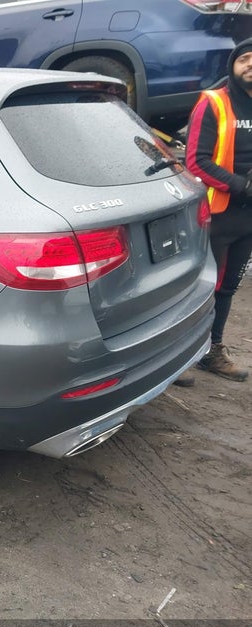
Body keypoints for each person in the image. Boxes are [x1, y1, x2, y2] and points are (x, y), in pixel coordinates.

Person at [182, 36, 252, 384]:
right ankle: (178, 358)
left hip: (248, 218)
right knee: (199, 286)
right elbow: (196, 161)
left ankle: (212, 350)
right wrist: (243, 185)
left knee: (226, 288)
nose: (251, 64)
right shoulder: (214, 103)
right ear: (234, 66)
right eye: (245, 59)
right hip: (217, 213)